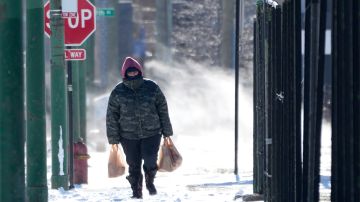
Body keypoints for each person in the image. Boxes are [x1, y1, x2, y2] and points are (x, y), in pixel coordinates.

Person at [106, 57, 173, 199]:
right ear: (125, 73)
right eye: (129, 72)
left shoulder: (152, 87)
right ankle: (136, 192)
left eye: (134, 71)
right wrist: (113, 137)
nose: (132, 74)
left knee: (150, 159)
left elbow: (162, 109)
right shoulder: (118, 91)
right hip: (128, 136)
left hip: (152, 132)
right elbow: (112, 116)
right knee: (133, 164)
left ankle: (150, 180)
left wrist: (167, 131)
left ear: (139, 71)